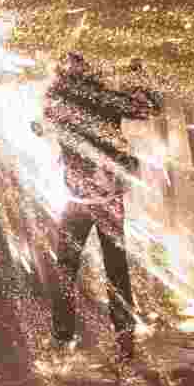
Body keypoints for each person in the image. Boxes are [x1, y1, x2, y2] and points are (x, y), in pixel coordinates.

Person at [42, 53, 161, 360]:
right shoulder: (91, 96)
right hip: (91, 198)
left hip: (91, 198)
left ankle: (69, 337)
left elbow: (145, 109)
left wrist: (136, 80)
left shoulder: (63, 95)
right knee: (107, 267)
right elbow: (146, 108)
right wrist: (137, 79)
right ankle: (113, 337)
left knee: (82, 267)